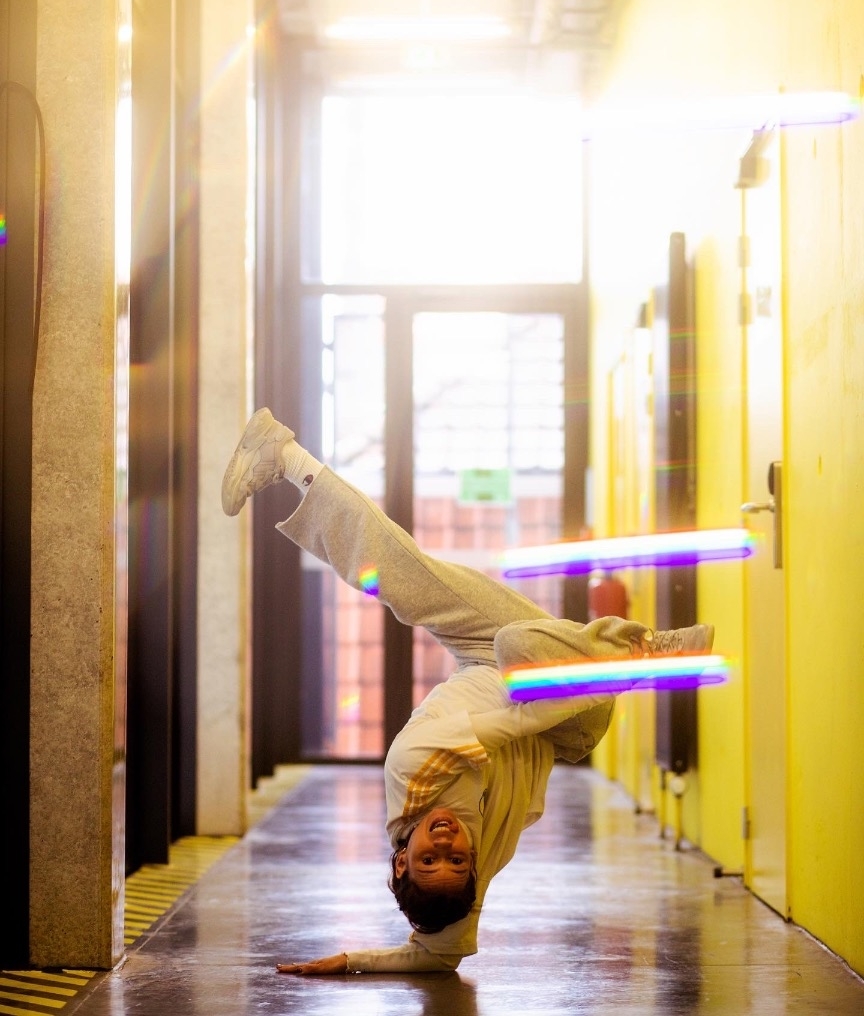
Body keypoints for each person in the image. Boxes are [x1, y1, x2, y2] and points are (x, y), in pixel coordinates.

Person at [221, 408, 714, 976]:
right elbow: (525, 720)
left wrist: (354, 960)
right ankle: (648, 650)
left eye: (432, 859)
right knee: (489, 627)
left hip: (501, 676)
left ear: (401, 863)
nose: (447, 845)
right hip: (554, 708)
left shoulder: (413, 771)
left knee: (401, 577)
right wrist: (629, 673)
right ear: (472, 870)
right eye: (457, 861)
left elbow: (437, 956)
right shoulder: (465, 854)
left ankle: (288, 460)